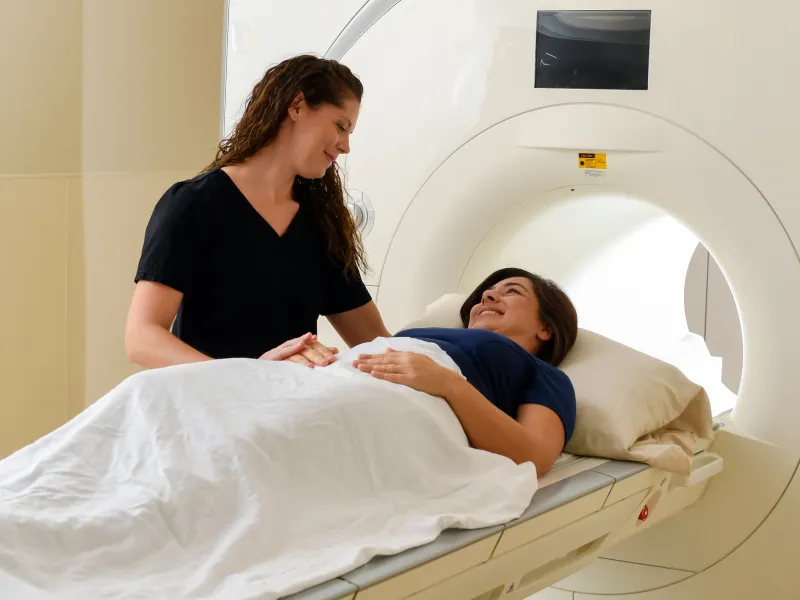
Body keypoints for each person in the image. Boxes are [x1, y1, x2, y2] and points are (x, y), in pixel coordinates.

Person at [125, 55, 390, 370]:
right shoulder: (193, 205)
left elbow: (376, 343)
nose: (345, 146)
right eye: (340, 126)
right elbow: (142, 337)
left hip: (291, 406)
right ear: (297, 105)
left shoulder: (321, 226)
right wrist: (244, 379)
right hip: (216, 403)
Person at [353, 268, 578, 475]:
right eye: (486, 294)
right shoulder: (429, 332)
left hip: (386, 407)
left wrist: (448, 383)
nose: (486, 297)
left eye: (512, 292)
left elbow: (534, 457)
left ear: (546, 328)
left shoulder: (546, 375)